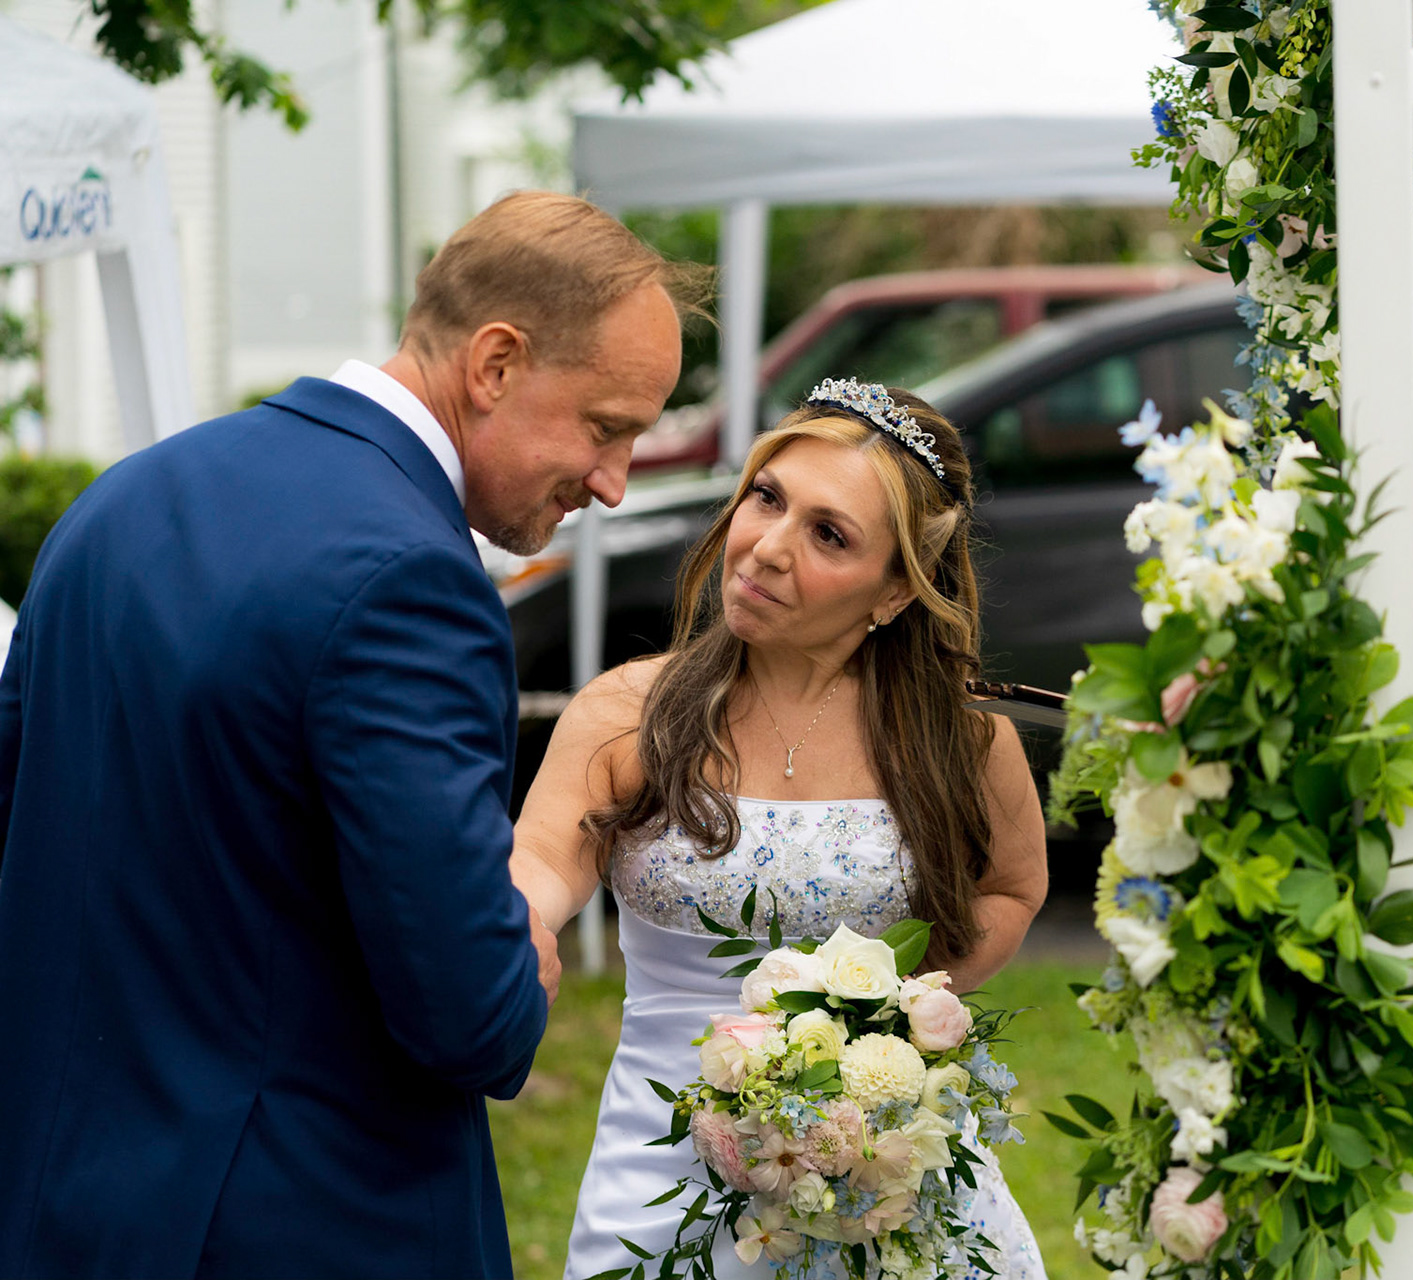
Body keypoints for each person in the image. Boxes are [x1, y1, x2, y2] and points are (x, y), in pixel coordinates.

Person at [0, 191, 701, 1278]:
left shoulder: (118, 502)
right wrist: (518, 961)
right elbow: (467, 1011)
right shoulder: (412, 578)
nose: (611, 481)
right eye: (606, 426)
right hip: (302, 1219)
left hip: (64, 1204)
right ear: (497, 361)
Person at [510, 383, 1051, 1279]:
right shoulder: (627, 713)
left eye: (828, 534)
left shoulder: (962, 739)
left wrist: (885, 1023)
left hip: (884, 1168)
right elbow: (543, 857)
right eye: (767, 498)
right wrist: (521, 915)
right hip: (666, 1170)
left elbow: (1011, 887)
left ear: (893, 593)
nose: (767, 546)